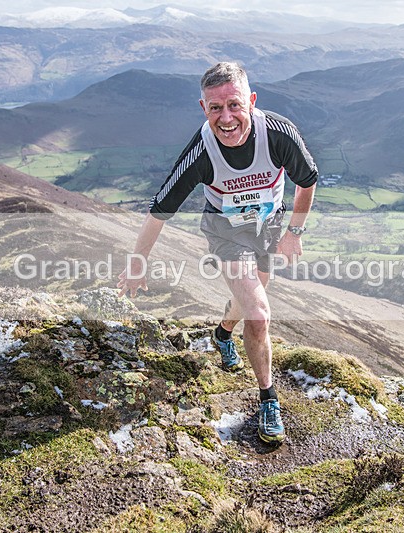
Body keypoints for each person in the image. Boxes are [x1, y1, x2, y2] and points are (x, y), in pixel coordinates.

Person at [117, 61, 317, 444]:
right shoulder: (203, 152)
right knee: (259, 313)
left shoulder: (278, 135)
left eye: (234, 105)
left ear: (251, 101)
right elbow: (159, 211)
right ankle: (268, 399)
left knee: (250, 299)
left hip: (268, 227)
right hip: (226, 233)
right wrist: (138, 262)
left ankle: (223, 334)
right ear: (203, 108)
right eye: (215, 108)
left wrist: (294, 232)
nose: (226, 118)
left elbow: (307, 180)